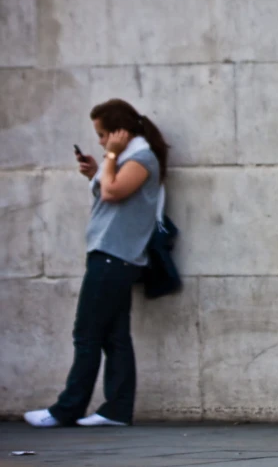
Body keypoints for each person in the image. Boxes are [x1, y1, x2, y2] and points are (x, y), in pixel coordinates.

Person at [24, 99, 169, 427]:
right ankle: (116, 410)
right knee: (114, 336)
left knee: (86, 333)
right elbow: (109, 189)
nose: (101, 142)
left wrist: (111, 157)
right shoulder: (133, 158)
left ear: (120, 132)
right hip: (111, 256)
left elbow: (112, 193)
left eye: (104, 135)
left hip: (113, 257)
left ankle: (66, 410)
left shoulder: (141, 158)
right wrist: (96, 170)